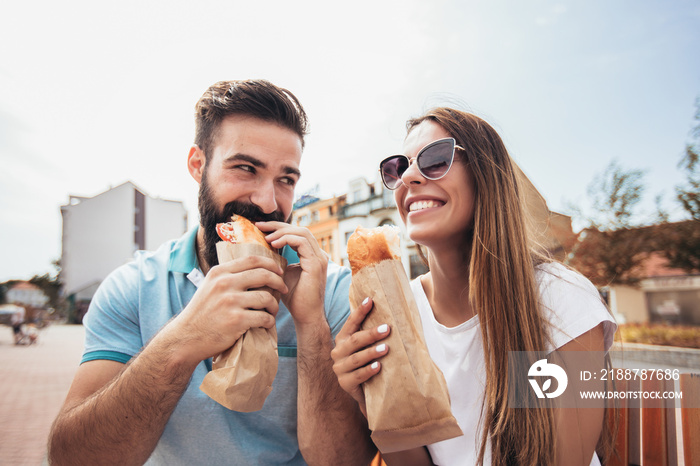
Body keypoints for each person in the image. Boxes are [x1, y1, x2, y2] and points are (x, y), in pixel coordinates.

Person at [48, 79, 374, 465]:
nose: (267, 201)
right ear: (198, 165)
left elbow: (342, 462)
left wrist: (311, 326)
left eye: (286, 179)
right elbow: (72, 459)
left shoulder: (333, 290)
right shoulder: (133, 287)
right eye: (246, 168)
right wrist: (186, 337)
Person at [331, 107, 617, 466]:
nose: (410, 177)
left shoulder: (556, 299)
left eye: (436, 159)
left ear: (486, 175)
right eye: (398, 168)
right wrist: (368, 396)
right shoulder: (399, 313)